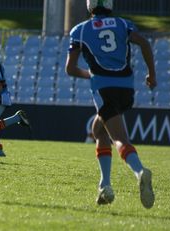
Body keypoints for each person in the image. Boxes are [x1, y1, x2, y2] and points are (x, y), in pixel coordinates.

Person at [66, 0, 156, 208]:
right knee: (98, 129)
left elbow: (70, 69)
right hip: (126, 89)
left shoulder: (79, 30)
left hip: (103, 89)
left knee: (119, 139)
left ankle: (140, 171)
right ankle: (104, 185)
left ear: (90, 6)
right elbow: (144, 42)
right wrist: (151, 74)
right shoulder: (123, 24)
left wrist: (89, 74)